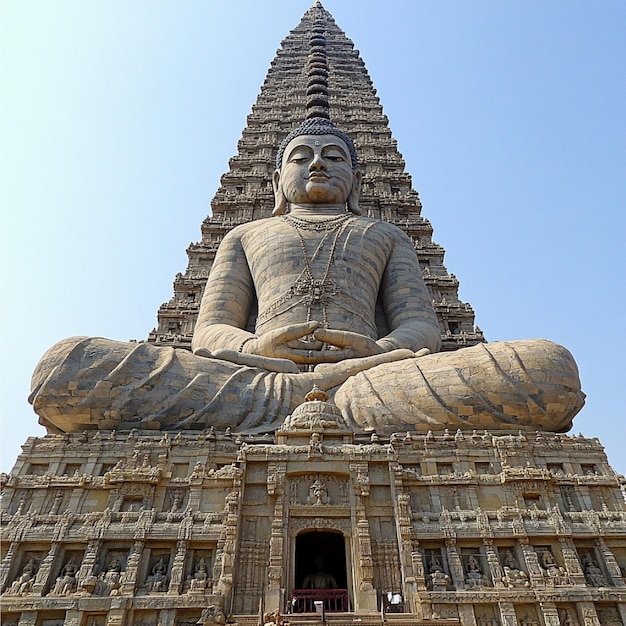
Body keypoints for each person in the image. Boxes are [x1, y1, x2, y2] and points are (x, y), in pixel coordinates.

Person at [29, 116, 584, 435]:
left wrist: (373, 354)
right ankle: (311, 401)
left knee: (548, 368)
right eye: (301, 155)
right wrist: (257, 347)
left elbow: (422, 332)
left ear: (358, 177)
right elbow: (210, 333)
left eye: (334, 156)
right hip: (254, 381)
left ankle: (326, 400)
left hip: (370, 381)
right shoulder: (244, 236)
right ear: (275, 180)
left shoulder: (383, 236)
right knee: (65, 366)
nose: (317, 163)